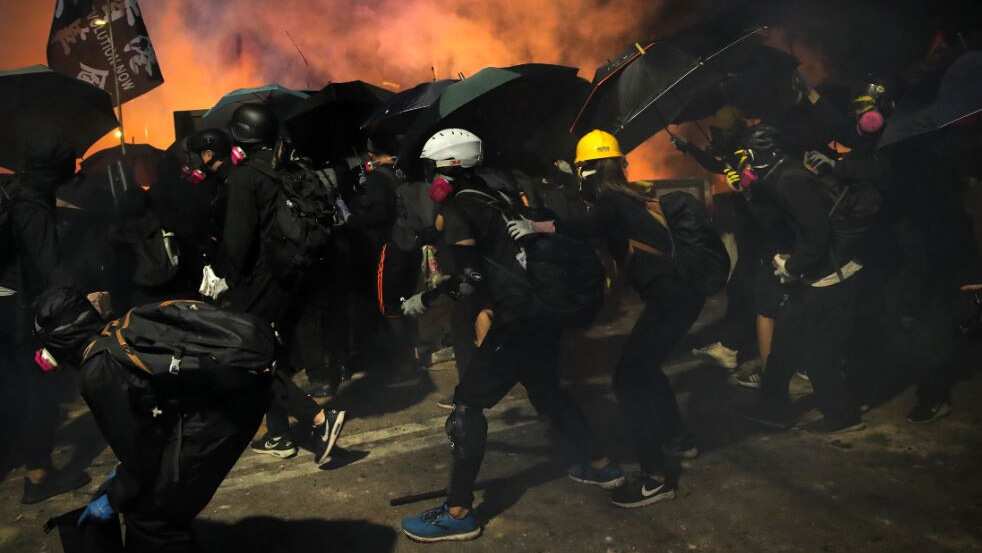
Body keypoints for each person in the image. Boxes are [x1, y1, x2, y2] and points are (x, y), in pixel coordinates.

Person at [399, 129, 623, 543]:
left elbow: (470, 277)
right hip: (540, 312)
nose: (429, 178)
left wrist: (427, 298)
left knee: (467, 405)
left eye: (431, 168)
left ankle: (458, 511)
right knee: (547, 390)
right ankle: (599, 462)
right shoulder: (491, 194)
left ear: (448, 168)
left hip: (516, 319)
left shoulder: (460, 207)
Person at [517, 130, 727, 507]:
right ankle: (678, 438)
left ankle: (655, 477)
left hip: (671, 297)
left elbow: (586, 227)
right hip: (681, 294)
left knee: (629, 379)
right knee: (646, 367)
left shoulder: (611, 201)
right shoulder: (629, 193)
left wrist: (539, 227)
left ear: (588, 172)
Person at [32, 287, 273, 552]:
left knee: (153, 523)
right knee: (149, 506)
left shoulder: (97, 372)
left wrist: (115, 495)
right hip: (230, 402)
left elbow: (142, 454)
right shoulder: (114, 330)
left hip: (216, 420)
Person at [200, 103, 345, 465]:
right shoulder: (290, 166)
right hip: (300, 274)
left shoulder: (247, 176)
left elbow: (237, 243)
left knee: (250, 358)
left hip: (263, 280)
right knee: (272, 355)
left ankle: (316, 417)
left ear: (239, 138)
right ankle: (279, 433)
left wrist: (221, 277)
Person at [734, 124, 866, 433]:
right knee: (785, 342)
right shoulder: (783, 175)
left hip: (828, 276)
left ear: (760, 153)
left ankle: (842, 416)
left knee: (818, 351)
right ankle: (773, 408)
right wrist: (751, 192)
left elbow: (816, 233)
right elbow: (781, 224)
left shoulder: (791, 180)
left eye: (748, 156)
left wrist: (791, 267)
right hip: (815, 273)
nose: (746, 163)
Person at [0, 132, 91, 504]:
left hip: (8, 308)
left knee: (17, 389)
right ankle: (38, 476)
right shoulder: (32, 205)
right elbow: (48, 266)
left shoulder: (16, 191)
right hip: (22, 315)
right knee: (40, 392)